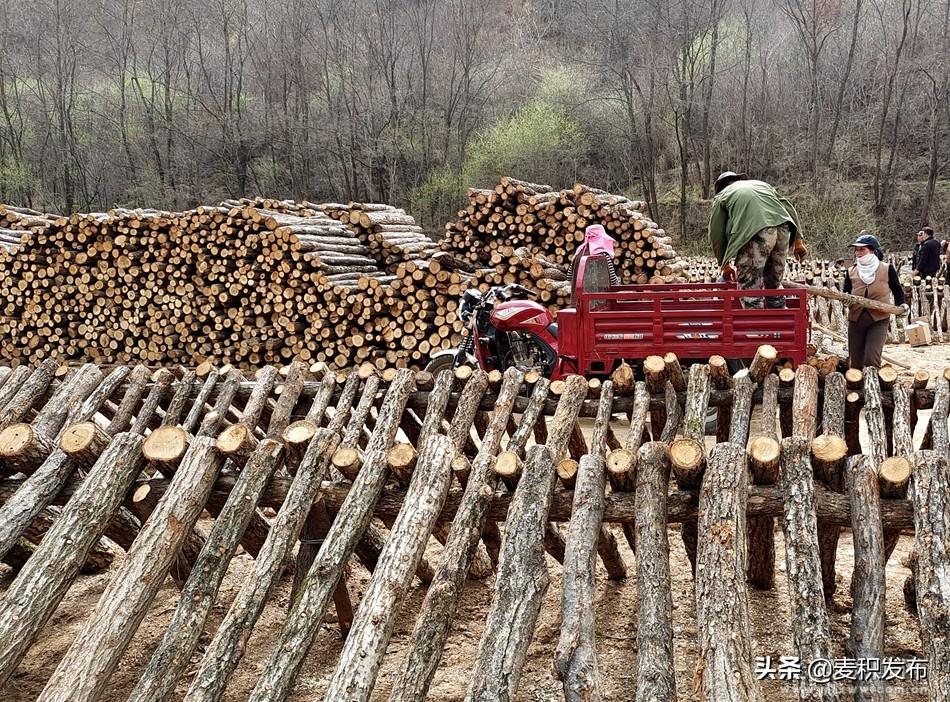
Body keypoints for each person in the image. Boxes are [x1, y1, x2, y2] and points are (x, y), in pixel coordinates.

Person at [708, 171, 807, 309]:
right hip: (783, 230)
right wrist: (798, 241)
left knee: (750, 290)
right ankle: (780, 325)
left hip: (757, 232)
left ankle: (756, 327)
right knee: (773, 284)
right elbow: (789, 208)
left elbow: (716, 234)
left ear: (720, 187)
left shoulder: (722, 196)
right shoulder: (763, 185)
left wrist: (724, 265)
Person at [843, 233, 908, 369]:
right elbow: (846, 293)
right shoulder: (851, 271)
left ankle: (873, 386)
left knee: (871, 359)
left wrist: (902, 304)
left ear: (872, 250)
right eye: (856, 249)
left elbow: (897, 289)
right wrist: (846, 300)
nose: (858, 252)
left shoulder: (887, 268)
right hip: (856, 319)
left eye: (862, 249)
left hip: (879, 320)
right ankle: (857, 388)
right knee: (856, 362)